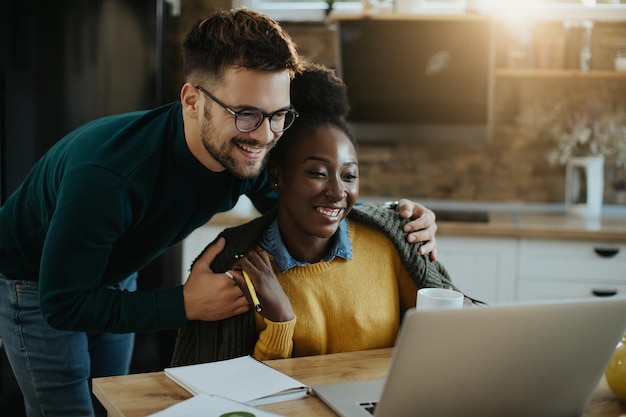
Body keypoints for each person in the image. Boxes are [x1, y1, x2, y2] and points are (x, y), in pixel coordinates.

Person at [0, 8, 439, 417]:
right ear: (192, 100)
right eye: (246, 113)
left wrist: (395, 223)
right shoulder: (108, 177)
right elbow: (61, 304)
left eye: (278, 115)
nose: (265, 136)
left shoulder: (246, 154)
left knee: (113, 399)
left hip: (117, 272)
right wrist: (186, 304)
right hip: (33, 282)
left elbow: (304, 208)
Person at [170, 62, 461, 366]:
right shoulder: (241, 267)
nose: (337, 192)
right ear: (276, 175)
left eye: (349, 176)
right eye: (317, 173)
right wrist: (280, 321)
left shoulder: (391, 244)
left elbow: (446, 341)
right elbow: (231, 391)